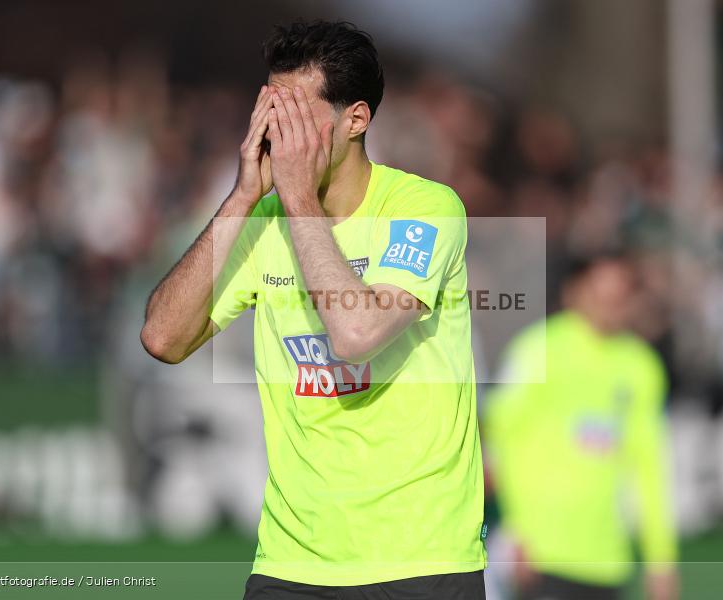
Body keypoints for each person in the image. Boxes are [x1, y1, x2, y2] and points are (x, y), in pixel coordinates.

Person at [140, 20, 486, 600]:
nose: (280, 131)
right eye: (271, 110)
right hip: (293, 564)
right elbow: (162, 338)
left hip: (421, 561)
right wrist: (244, 196)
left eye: (298, 113)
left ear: (356, 119)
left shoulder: (425, 208)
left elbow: (356, 334)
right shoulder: (262, 221)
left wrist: (296, 197)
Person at [483, 254, 679, 600]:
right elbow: (495, 443)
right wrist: (513, 533)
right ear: (575, 292)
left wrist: (661, 561)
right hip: (541, 554)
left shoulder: (641, 367)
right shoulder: (538, 349)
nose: (610, 305)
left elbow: (650, 469)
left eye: (621, 296)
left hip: (607, 560)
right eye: (601, 293)